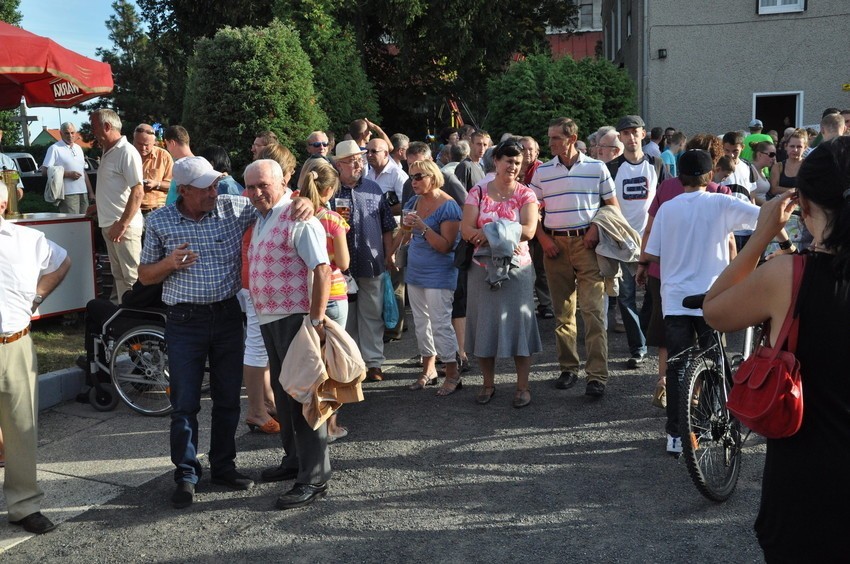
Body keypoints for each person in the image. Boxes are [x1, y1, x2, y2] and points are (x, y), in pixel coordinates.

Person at [703, 137, 850, 562]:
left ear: (803, 207)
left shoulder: (789, 275)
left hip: (807, 490)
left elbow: (714, 310)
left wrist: (762, 235)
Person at [139, 157, 259, 508]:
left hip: (225, 316)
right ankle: (186, 475)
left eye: (214, 184)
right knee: (185, 404)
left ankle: (223, 466)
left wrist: (297, 199)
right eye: (205, 187)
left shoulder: (232, 207)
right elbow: (145, 275)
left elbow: (272, 202)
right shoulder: (160, 221)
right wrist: (169, 264)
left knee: (226, 399)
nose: (214, 191)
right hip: (184, 321)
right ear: (184, 190)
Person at [641, 150, 771, 455]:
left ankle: (675, 434)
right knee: (716, 360)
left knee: (677, 366)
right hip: (712, 298)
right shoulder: (722, 202)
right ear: (709, 175)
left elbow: (653, 252)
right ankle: (716, 421)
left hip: (675, 299)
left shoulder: (668, 208)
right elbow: (761, 217)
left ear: (680, 177)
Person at [245, 159, 333, 510]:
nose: (255, 193)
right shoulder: (262, 216)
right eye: (250, 187)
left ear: (283, 183)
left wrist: (315, 320)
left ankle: (314, 478)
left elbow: (323, 270)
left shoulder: (300, 218)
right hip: (271, 318)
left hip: (295, 319)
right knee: (285, 398)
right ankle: (294, 461)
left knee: (305, 399)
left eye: (262, 185)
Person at [530, 117, 619, 397]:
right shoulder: (543, 171)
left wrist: (594, 228)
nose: (550, 142)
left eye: (556, 137)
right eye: (550, 137)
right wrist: (543, 239)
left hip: (587, 245)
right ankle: (568, 368)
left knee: (593, 313)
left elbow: (612, 206)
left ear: (572, 138)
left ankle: (596, 376)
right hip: (554, 246)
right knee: (563, 313)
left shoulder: (597, 167)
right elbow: (531, 211)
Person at [0, 182, 71, 534]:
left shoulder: (27, 240)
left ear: (2, 203)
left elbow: (63, 261)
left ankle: (24, 505)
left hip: (15, 343)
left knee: (21, 428)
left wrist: (38, 296)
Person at [462, 141, 542, 407]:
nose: (513, 167)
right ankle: (487, 383)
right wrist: (502, 233)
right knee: (483, 325)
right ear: (495, 161)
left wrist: (490, 233)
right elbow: (465, 229)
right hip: (481, 269)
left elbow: (530, 230)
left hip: (517, 269)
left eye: (517, 163)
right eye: (508, 160)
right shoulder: (478, 191)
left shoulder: (526, 194)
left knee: (520, 325)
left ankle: (522, 386)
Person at [393, 159, 462, 394]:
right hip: (416, 271)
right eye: (411, 177)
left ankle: (452, 373)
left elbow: (446, 246)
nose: (413, 181)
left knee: (441, 323)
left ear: (433, 177)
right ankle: (428, 369)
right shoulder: (414, 201)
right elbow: (407, 235)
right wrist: (403, 231)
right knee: (421, 323)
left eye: (419, 176)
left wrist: (422, 227)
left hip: (439, 273)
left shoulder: (449, 206)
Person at [332, 140, 396, 381]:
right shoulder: (332, 191)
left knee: (372, 314)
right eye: (352, 160)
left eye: (360, 158)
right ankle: (352, 364)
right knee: (345, 318)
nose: (359, 163)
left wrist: (389, 255)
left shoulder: (373, 188)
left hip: (371, 262)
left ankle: (374, 363)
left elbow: (387, 227)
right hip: (340, 266)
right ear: (338, 165)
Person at [296, 159, 351, 442]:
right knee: (333, 362)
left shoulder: (295, 214)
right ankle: (332, 425)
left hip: (304, 294)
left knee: (311, 361)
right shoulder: (332, 220)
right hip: (333, 294)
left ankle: (311, 418)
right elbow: (343, 261)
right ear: (329, 190)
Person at [90, 109, 145, 304]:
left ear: (107, 126)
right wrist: (97, 208)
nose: (92, 131)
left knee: (131, 277)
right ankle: (126, 320)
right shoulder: (109, 151)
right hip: (112, 225)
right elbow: (114, 189)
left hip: (123, 227)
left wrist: (122, 224)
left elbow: (138, 191)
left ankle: (137, 320)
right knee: (120, 276)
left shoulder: (126, 151)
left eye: (94, 126)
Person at [39, 122, 95, 214]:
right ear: (61, 133)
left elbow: (83, 172)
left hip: (83, 193)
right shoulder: (54, 148)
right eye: (67, 133)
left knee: (85, 223)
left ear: (76, 133)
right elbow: (44, 171)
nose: (70, 135)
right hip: (67, 194)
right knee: (72, 224)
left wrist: (91, 192)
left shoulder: (78, 148)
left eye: (72, 133)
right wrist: (67, 174)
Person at [133, 123, 173, 214]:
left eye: (147, 145)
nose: (143, 148)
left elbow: (173, 186)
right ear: (133, 141)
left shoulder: (163, 156)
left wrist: (156, 184)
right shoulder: (127, 156)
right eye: (139, 144)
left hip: (156, 210)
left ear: (154, 142)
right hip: (132, 209)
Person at [769, 128, 807, 197]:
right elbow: (773, 190)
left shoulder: (809, 166)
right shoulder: (778, 166)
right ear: (786, 146)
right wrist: (796, 191)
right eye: (792, 146)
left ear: (805, 148)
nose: (795, 150)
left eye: (799, 147)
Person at [749, 140, 777, 205]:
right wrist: (769, 205)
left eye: (775, 155)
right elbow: (750, 194)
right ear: (759, 155)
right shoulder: (751, 170)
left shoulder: (761, 171)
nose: (774, 158)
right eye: (771, 154)